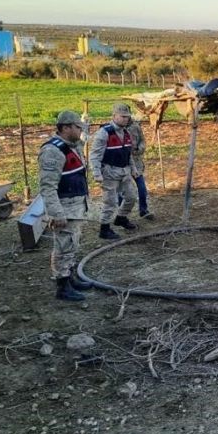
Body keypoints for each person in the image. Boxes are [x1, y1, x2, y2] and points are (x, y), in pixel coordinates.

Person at [38, 111, 93, 301]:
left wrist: (87, 124)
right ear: (66, 127)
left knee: (71, 244)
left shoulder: (72, 145)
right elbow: (47, 187)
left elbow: (83, 141)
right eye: (78, 127)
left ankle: (70, 278)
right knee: (63, 246)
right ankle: (62, 286)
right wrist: (56, 213)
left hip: (75, 206)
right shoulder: (53, 152)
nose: (81, 130)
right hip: (64, 208)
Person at [90, 103, 138, 240]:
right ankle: (104, 229)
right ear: (114, 116)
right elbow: (95, 154)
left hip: (125, 171)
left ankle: (121, 218)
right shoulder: (104, 133)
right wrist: (97, 173)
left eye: (127, 117)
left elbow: (128, 154)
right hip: (109, 173)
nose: (125, 119)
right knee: (110, 202)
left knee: (131, 197)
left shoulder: (126, 133)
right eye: (122, 116)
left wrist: (133, 169)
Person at [122, 114, 155, 220]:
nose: (124, 118)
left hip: (136, 163)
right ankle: (122, 215)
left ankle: (143, 210)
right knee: (122, 192)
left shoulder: (136, 127)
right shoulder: (114, 129)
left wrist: (139, 149)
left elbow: (142, 141)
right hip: (122, 164)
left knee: (142, 188)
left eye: (126, 115)